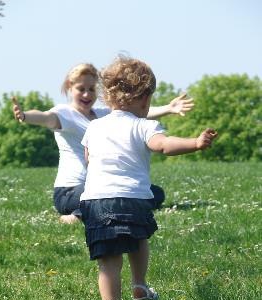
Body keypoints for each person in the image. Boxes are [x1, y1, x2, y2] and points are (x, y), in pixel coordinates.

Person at [80, 56, 217, 300]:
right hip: (132, 197)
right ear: (144, 98)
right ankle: (139, 284)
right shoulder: (144, 125)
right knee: (139, 238)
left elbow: (88, 157)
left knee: (108, 262)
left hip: (96, 200)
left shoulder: (94, 126)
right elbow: (164, 145)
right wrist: (195, 143)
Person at [12, 63, 194, 224]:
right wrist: (25, 116)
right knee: (109, 192)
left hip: (100, 184)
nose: (86, 94)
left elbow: (133, 113)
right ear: (69, 87)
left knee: (155, 192)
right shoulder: (64, 113)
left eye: (92, 89)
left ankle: (93, 209)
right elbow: (45, 118)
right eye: (80, 88)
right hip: (70, 191)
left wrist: (169, 109)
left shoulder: (101, 114)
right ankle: (77, 214)